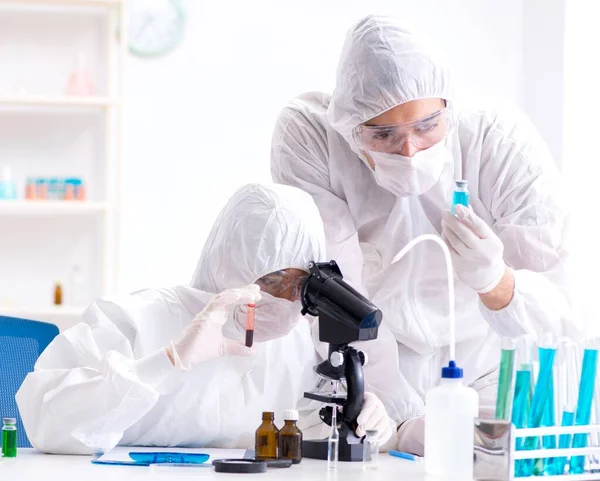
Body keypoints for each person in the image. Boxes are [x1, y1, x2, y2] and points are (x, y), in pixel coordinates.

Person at [271, 15, 580, 455]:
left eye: (426, 127)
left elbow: (560, 313)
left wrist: (497, 284)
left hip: (487, 365)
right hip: (374, 362)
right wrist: (395, 416)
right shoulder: (313, 138)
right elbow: (337, 288)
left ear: (447, 107)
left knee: (511, 451)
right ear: (350, 127)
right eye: (383, 134)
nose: (410, 151)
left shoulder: (496, 138)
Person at [17, 183, 393, 455]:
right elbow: (47, 426)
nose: (283, 301)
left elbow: (309, 429)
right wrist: (167, 362)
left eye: (299, 288)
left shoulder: (293, 346)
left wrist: (363, 422)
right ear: (230, 265)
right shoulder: (133, 320)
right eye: (271, 281)